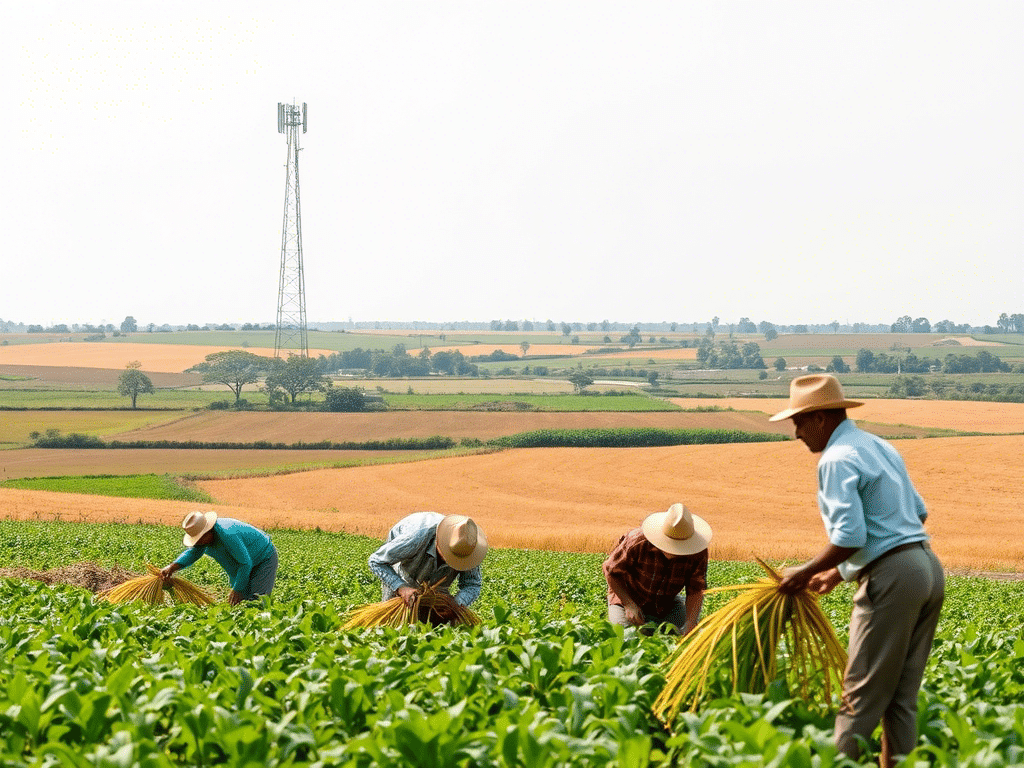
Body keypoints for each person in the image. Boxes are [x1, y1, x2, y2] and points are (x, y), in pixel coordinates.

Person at [770, 374, 944, 767]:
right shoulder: (878, 445)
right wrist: (838, 573)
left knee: (859, 697)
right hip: (927, 569)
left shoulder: (835, 458)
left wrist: (804, 572)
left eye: (799, 422)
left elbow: (850, 535)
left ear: (820, 418)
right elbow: (917, 513)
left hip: (894, 578)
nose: (796, 434)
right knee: (900, 700)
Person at [603, 503, 711, 636]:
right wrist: (629, 605)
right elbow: (610, 571)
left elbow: (696, 590)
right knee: (626, 637)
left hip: (667, 604)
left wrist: (690, 623)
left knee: (685, 636)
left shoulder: (697, 552)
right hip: (628, 598)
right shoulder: (637, 541)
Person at [368, 512, 487, 608]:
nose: (451, 562)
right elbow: (376, 561)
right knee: (398, 604)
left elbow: (472, 585)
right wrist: (401, 587)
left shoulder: (469, 548)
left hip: (438, 586)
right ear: (439, 542)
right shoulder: (415, 538)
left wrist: (454, 604)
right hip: (405, 562)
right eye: (450, 556)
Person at [160, 511, 278, 605]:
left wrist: (237, 589)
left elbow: (245, 563)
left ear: (208, 531)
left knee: (257, 601)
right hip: (241, 566)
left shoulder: (228, 534)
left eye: (199, 539)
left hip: (263, 559)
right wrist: (172, 567)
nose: (198, 543)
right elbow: (193, 553)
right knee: (240, 603)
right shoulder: (204, 540)